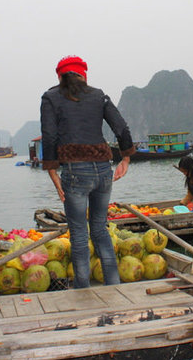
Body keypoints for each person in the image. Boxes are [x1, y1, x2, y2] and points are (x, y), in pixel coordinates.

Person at [40, 55, 135, 288]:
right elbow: (120, 126)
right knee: (100, 229)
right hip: (103, 168)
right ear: (84, 75)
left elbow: (50, 136)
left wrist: (52, 171)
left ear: (59, 76)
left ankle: (83, 290)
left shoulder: (50, 98)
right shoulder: (99, 95)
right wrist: (126, 157)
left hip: (74, 170)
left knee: (80, 233)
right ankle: (113, 285)